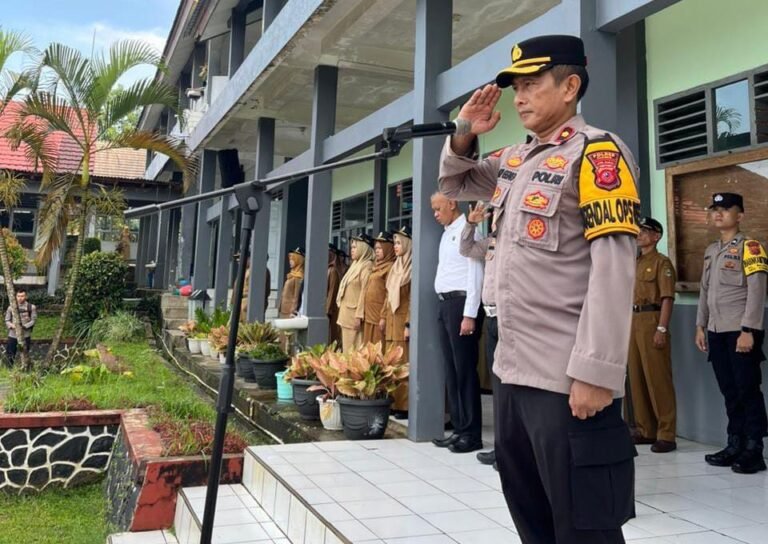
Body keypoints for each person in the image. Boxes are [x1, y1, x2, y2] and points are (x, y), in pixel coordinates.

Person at [440, 35, 640, 543]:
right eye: (515, 87)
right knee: (533, 517)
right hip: (512, 369)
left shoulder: (597, 153)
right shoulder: (515, 158)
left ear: (570, 86)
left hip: (566, 378)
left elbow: (614, 266)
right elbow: (456, 185)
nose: (519, 97)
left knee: (583, 528)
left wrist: (597, 373)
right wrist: (464, 133)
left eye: (531, 84)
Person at [695, 192, 768, 474]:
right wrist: (700, 325)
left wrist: (749, 330)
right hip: (716, 331)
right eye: (715, 209)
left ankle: (754, 449)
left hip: (740, 331)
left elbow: (756, 292)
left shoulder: (751, 248)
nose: (719, 214)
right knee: (729, 390)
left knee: (747, 390)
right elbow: (704, 292)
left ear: (740, 215)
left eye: (726, 209)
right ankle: (734, 442)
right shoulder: (711, 251)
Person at [430, 192, 484, 454]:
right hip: (445, 304)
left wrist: (470, 314)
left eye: (438, 208)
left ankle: (472, 434)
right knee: (451, 371)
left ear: (452, 204)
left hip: (462, 305)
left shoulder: (468, 228)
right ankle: (460, 429)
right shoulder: (446, 231)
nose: (435, 214)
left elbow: (476, 273)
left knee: (465, 371)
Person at [627, 217, 678, 453]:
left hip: (652, 320)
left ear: (656, 236)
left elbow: (667, 297)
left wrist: (662, 328)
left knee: (658, 379)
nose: (639, 234)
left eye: (645, 231)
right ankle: (645, 429)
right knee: (637, 378)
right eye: (638, 230)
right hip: (633, 320)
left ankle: (666, 433)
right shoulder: (634, 262)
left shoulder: (662, 263)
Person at [460, 201, 500, 467]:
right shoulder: (490, 243)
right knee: (499, 386)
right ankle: (503, 446)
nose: (495, 219)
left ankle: (513, 448)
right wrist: (471, 224)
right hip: (492, 318)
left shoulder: (519, 241)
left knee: (512, 387)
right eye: (494, 215)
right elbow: (466, 249)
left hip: (512, 317)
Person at [381, 227, 412, 418]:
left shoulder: (412, 266)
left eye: (399, 242)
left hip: (402, 325)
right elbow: (387, 296)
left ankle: (405, 406)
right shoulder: (395, 267)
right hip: (391, 323)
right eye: (395, 242)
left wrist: (409, 324)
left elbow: (412, 301)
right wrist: (383, 317)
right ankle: (393, 403)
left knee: (404, 366)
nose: (396, 246)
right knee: (391, 365)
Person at [336, 234, 374, 351]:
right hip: (346, 315)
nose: (351, 250)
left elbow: (364, 292)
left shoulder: (366, 266)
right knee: (347, 350)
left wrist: (359, 315)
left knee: (355, 350)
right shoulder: (355, 264)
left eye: (354, 247)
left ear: (363, 248)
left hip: (354, 317)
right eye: (351, 247)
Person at [363, 232, 396, 345]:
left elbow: (388, 294)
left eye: (380, 248)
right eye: (376, 248)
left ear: (387, 249)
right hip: (369, 315)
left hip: (378, 316)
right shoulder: (376, 266)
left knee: (377, 348)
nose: (376, 251)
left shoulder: (390, 267)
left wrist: (383, 316)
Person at [5, 288, 36, 365]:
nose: (20, 298)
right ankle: (9, 370)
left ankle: (24, 369)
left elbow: (33, 321)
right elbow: (7, 320)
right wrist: (12, 326)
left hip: (25, 335)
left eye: (22, 296)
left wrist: (24, 327)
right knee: (10, 354)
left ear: (26, 296)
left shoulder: (31, 307)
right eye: (18, 296)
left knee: (25, 354)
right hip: (13, 335)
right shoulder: (11, 307)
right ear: (15, 296)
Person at [278, 248, 304, 318]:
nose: (290, 262)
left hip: (289, 311)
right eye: (290, 260)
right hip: (284, 309)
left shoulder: (298, 276)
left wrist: (293, 311)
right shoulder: (292, 274)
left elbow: (296, 296)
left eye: (292, 260)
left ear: (298, 260)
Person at [326, 244, 344, 346]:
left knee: (332, 335)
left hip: (332, 309)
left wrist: (328, 310)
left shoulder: (333, 270)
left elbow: (332, 292)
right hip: (330, 307)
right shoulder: (328, 268)